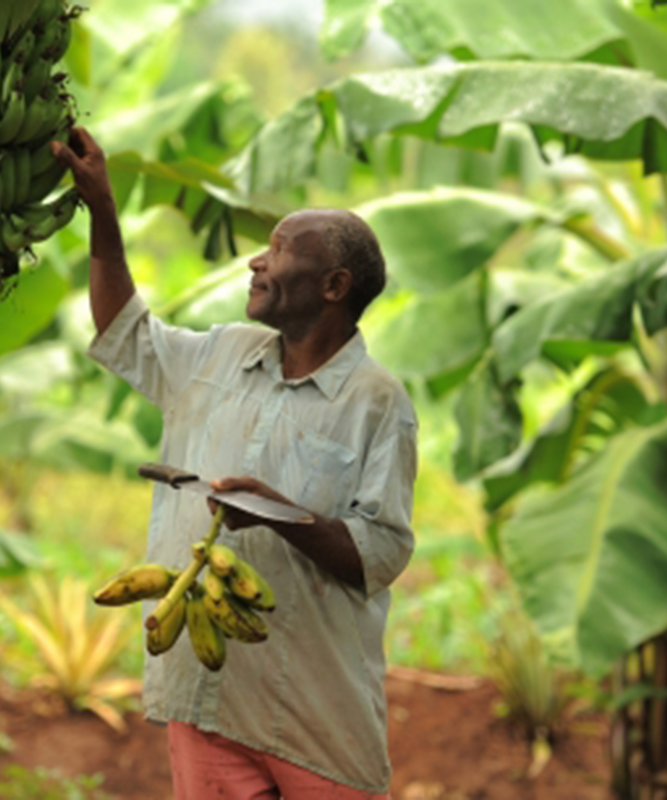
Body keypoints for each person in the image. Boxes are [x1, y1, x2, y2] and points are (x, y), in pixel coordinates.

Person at [53, 127, 417, 799]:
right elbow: (122, 332)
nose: (257, 261)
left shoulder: (377, 403)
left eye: (279, 249)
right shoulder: (219, 355)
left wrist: (281, 517)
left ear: (335, 285)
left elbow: (382, 552)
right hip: (206, 697)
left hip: (317, 718)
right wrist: (102, 210)